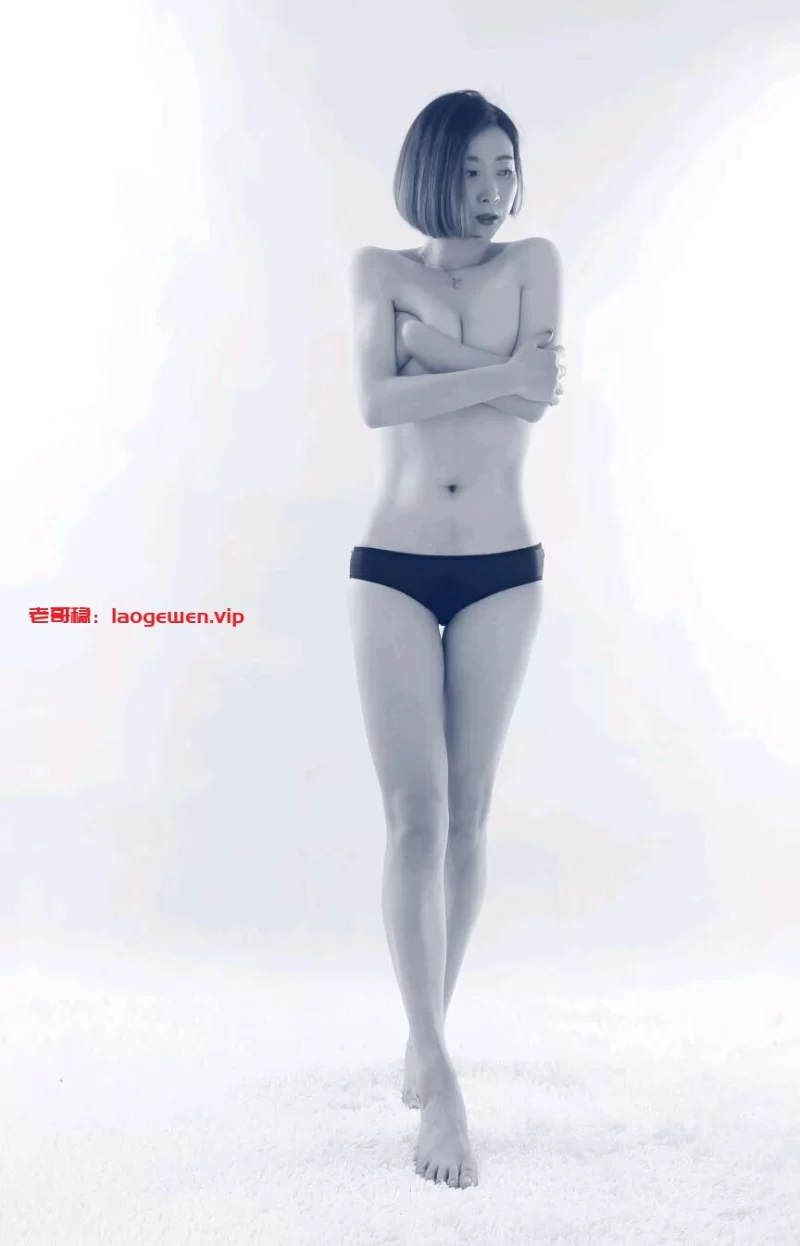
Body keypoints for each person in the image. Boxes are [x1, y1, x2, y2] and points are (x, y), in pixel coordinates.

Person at [346, 89, 566, 1190]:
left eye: (503, 168)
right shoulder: (376, 269)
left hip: (501, 566)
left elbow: (531, 404)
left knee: (468, 815)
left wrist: (426, 350)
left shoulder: (535, 260)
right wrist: (477, 365)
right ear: (431, 171)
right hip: (391, 562)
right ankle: (437, 1069)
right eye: (472, 170)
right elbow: (376, 405)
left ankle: (426, 1027)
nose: (492, 191)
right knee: (413, 816)